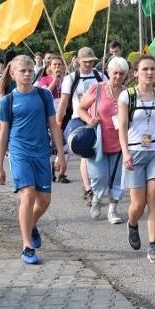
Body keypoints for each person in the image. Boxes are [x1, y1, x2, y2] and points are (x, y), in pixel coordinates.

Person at [0, 55, 66, 264]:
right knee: (28, 196)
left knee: (44, 200)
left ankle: (30, 224)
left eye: (29, 71)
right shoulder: (8, 100)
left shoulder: (43, 96)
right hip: (19, 153)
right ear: (12, 74)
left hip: (42, 153)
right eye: (22, 71)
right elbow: (3, 134)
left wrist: (60, 155)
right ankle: (27, 246)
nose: (27, 74)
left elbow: (54, 126)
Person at [118, 54, 155, 264]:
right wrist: (125, 152)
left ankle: (153, 245)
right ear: (136, 73)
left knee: (154, 199)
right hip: (134, 152)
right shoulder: (127, 96)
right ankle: (132, 224)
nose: (150, 72)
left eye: (153, 69)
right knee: (138, 205)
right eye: (145, 69)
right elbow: (123, 127)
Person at [77, 57, 129, 225]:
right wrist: (89, 119)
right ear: (108, 72)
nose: (118, 76)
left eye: (122, 73)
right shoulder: (97, 88)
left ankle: (112, 210)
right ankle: (97, 198)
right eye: (115, 73)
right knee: (99, 177)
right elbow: (81, 108)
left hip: (120, 143)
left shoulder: (127, 92)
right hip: (98, 142)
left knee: (117, 178)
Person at [56, 47, 103, 198]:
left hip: (99, 119)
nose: (88, 64)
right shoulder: (70, 78)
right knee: (85, 151)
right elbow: (63, 102)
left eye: (91, 61)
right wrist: (58, 122)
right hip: (80, 119)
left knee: (101, 153)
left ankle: (101, 183)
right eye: (85, 61)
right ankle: (88, 187)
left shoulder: (100, 76)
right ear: (78, 60)